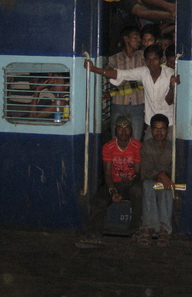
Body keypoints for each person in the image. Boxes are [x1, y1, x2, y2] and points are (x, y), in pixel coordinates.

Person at [86, 44, 179, 141]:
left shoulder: (170, 74)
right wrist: (93, 69)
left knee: (171, 153)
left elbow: (169, 101)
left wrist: (172, 87)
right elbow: (121, 74)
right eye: (148, 59)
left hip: (169, 123)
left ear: (161, 60)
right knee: (147, 150)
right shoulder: (144, 71)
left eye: (155, 59)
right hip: (151, 123)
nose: (151, 63)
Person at [76, 115, 142, 247]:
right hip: (114, 182)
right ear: (115, 130)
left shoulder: (137, 146)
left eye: (126, 128)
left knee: (138, 191)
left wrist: (131, 179)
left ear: (131, 130)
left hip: (131, 184)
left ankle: (136, 230)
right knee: (99, 198)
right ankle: (94, 234)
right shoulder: (109, 147)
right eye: (120, 128)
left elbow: (138, 172)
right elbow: (107, 173)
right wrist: (113, 190)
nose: (123, 132)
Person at [139, 113, 175, 247]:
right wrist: (160, 176)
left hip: (167, 180)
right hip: (151, 179)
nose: (159, 132)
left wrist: (166, 177)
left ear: (168, 130)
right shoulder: (147, 146)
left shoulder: (173, 147)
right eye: (156, 129)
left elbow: (176, 168)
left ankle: (164, 230)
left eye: (162, 129)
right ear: (151, 130)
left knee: (166, 187)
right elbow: (146, 171)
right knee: (149, 185)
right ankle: (148, 227)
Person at [107, 26, 145, 141]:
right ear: (126, 39)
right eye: (135, 37)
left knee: (136, 138)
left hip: (138, 103)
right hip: (119, 103)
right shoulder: (114, 59)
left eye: (139, 37)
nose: (138, 40)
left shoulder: (143, 57)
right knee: (116, 137)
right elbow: (111, 78)